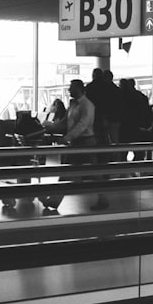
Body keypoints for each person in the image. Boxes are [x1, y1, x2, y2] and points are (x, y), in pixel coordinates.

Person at [40, 79, 95, 213]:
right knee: (86, 173)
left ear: (78, 89)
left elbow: (82, 125)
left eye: (71, 87)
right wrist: (52, 127)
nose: (69, 90)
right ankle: (54, 200)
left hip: (85, 143)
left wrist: (66, 138)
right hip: (78, 143)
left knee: (88, 173)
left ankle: (55, 200)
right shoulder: (74, 105)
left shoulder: (87, 105)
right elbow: (66, 122)